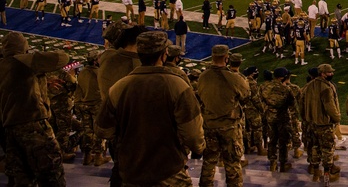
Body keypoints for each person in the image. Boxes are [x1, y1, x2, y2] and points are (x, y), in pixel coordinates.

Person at [96, 31, 206, 186]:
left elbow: (103, 130)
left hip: (130, 171)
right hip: (168, 171)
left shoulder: (119, 87)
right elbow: (193, 135)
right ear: (164, 54)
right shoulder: (178, 86)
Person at [0, 31, 70, 187]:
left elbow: (16, 87)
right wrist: (33, 59)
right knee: (52, 176)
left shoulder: (3, 66)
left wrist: (41, 79)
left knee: (21, 179)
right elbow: (62, 58)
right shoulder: (23, 61)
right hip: (34, 126)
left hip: (10, 131)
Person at [197, 43, 250, 187]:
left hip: (209, 124)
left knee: (208, 161)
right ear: (226, 58)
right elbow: (246, 95)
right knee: (232, 163)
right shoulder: (233, 78)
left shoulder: (203, 76)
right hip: (229, 126)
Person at [301, 63, 342, 182]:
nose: (332, 74)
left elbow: (301, 104)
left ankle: (315, 173)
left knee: (314, 148)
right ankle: (327, 176)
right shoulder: (326, 88)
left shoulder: (308, 86)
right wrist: (337, 118)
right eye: (329, 72)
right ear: (323, 74)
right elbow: (330, 107)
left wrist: (305, 118)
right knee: (327, 150)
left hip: (311, 123)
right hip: (324, 125)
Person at [261, 66, 296, 172]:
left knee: (272, 140)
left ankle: (272, 162)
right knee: (283, 141)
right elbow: (292, 103)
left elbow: (262, 99)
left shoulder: (266, 87)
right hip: (282, 118)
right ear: (282, 78)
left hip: (270, 117)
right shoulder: (286, 89)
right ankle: (283, 164)